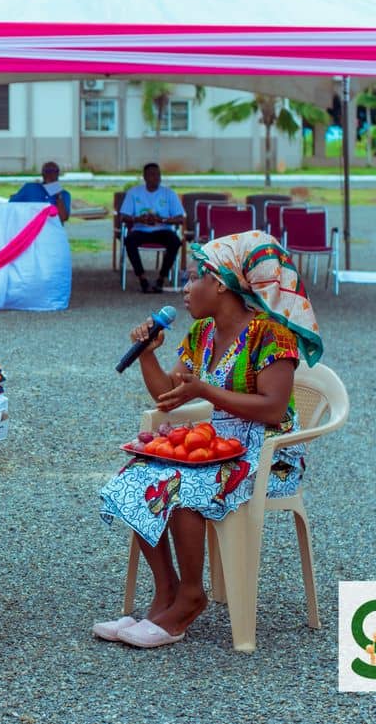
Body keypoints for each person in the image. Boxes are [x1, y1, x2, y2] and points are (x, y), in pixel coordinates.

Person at [96, 231, 322, 648]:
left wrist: (205, 392)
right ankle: (166, 591)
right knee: (136, 477)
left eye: (192, 278)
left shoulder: (271, 336)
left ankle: (190, 598)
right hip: (218, 448)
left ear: (219, 283)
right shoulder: (201, 334)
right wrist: (148, 353)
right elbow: (167, 395)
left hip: (269, 453)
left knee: (184, 489)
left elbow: (273, 408)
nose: (184, 289)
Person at [119, 163, 185, 294]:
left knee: (175, 241)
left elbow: (180, 219)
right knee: (130, 241)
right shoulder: (134, 193)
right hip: (140, 229)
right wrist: (138, 219)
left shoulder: (169, 193)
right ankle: (142, 279)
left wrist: (162, 220)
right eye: (152, 174)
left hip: (163, 230)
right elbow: (123, 216)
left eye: (158, 174)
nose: (156, 177)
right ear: (144, 177)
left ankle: (160, 279)